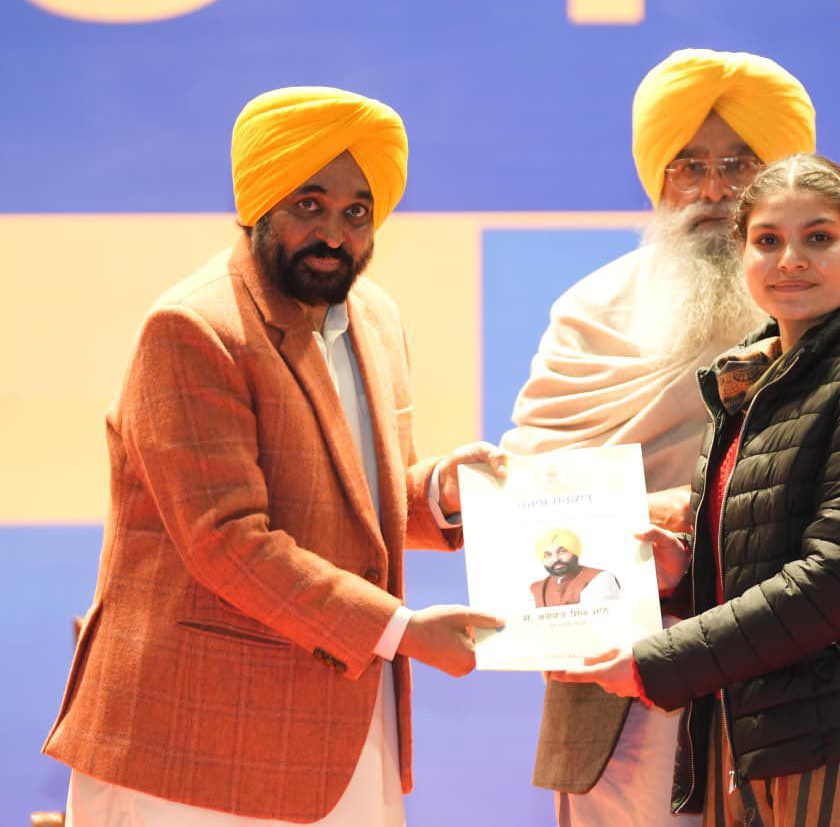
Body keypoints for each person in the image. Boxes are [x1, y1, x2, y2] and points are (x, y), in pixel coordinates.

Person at [500, 49, 840, 827]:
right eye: (688, 165)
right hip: (619, 691)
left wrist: (687, 530)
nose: (713, 189)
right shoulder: (590, 314)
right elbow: (534, 497)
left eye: (738, 164)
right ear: (658, 182)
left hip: (802, 696)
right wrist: (636, 540)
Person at [42, 86, 507, 826]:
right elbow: (227, 542)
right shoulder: (193, 328)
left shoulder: (376, 318)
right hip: (193, 745)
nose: (334, 234)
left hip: (343, 735)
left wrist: (441, 494)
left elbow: (356, 503)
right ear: (259, 201)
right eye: (309, 205)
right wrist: (399, 629)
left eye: (357, 212)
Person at [531, 529, 621, 608]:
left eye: (562, 551)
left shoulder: (600, 578)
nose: (556, 559)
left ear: (576, 551)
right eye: (548, 555)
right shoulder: (536, 588)